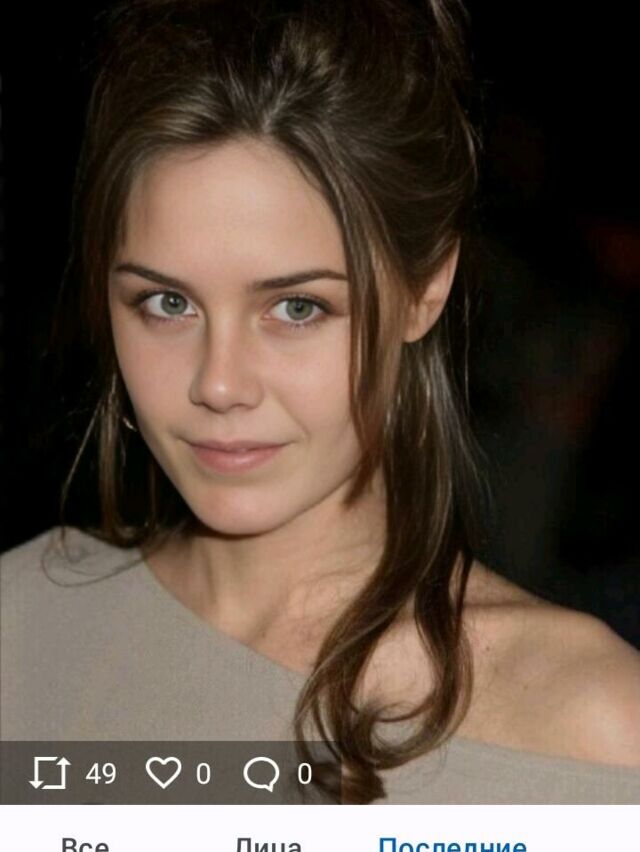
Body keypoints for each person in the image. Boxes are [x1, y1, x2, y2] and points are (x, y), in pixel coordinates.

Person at [1, 0, 639, 805]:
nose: (219, 384)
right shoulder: (21, 622)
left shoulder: (591, 726)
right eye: (167, 303)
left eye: (296, 307)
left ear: (425, 288)